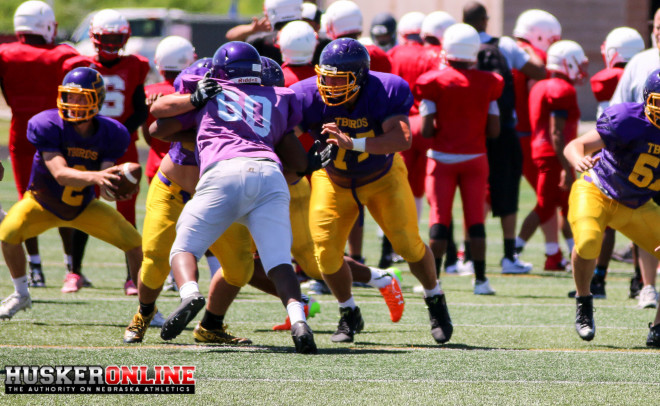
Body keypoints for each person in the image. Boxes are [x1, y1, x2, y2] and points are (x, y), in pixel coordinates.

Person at [149, 42, 321, 353]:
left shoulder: (210, 91)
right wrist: (313, 162)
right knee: (279, 262)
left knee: (184, 246)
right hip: (269, 174)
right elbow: (298, 164)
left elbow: (157, 122)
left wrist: (194, 103)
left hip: (224, 171)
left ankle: (189, 294)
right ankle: (298, 320)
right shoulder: (279, 97)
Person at [291, 38, 452, 345]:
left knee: (408, 244)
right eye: (326, 77)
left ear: (360, 77)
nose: (330, 85)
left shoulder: (386, 89)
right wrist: (302, 159)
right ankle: (349, 311)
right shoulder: (306, 94)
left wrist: (355, 144)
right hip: (333, 178)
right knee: (324, 254)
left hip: (382, 176)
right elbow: (288, 134)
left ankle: (435, 299)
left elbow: (402, 138)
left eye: (340, 79)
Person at [0, 67, 142, 320]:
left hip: (83, 208)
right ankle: (21, 294)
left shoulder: (112, 132)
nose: (73, 103)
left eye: (81, 97)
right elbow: (60, 173)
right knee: (8, 233)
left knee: (134, 243)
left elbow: (106, 188)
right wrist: (97, 178)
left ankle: (147, 308)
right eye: (69, 96)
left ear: (96, 99)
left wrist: (116, 189)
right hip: (41, 202)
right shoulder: (47, 124)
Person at [564, 69, 660, 343]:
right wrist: (578, 160)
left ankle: (658, 328)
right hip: (597, 189)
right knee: (588, 242)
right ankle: (584, 302)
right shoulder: (627, 118)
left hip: (638, 204)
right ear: (647, 99)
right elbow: (576, 144)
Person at [63, 9, 150, 294]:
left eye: (116, 37)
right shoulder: (79, 64)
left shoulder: (136, 64)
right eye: (105, 37)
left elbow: (140, 109)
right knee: (81, 205)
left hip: (121, 144)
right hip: (87, 144)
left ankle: (130, 276)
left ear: (125, 37)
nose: (111, 43)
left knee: (126, 210)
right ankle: (74, 272)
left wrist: (118, 133)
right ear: (94, 37)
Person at [417, 23, 503, 295]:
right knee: (475, 219)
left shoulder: (432, 81)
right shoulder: (491, 82)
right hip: (475, 158)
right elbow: (494, 130)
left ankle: (434, 281)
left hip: (442, 160)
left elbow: (427, 129)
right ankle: (480, 280)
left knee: (440, 218)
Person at [0, 0, 80, 288]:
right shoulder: (63, 54)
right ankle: (72, 267)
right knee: (66, 197)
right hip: (58, 131)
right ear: (46, 24)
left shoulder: (5, 54)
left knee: (26, 200)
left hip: (20, 131)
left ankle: (35, 269)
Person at [463, 1, 545, 274]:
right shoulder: (506, 45)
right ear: (486, 20)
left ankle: (465, 255)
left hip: (469, 130)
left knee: (472, 192)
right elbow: (538, 71)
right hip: (503, 129)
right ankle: (510, 255)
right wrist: (528, 49)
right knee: (508, 190)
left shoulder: (455, 43)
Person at [567, 27, 645, 300]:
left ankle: (600, 276)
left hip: (616, 155)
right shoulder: (642, 72)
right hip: (626, 156)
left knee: (609, 226)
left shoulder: (613, 77)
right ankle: (640, 281)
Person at [610, 9, 660, 309]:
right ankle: (648, 287)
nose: (659, 32)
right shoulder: (641, 60)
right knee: (646, 219)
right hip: (646, 155)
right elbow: (619, 107)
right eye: (657, 26)